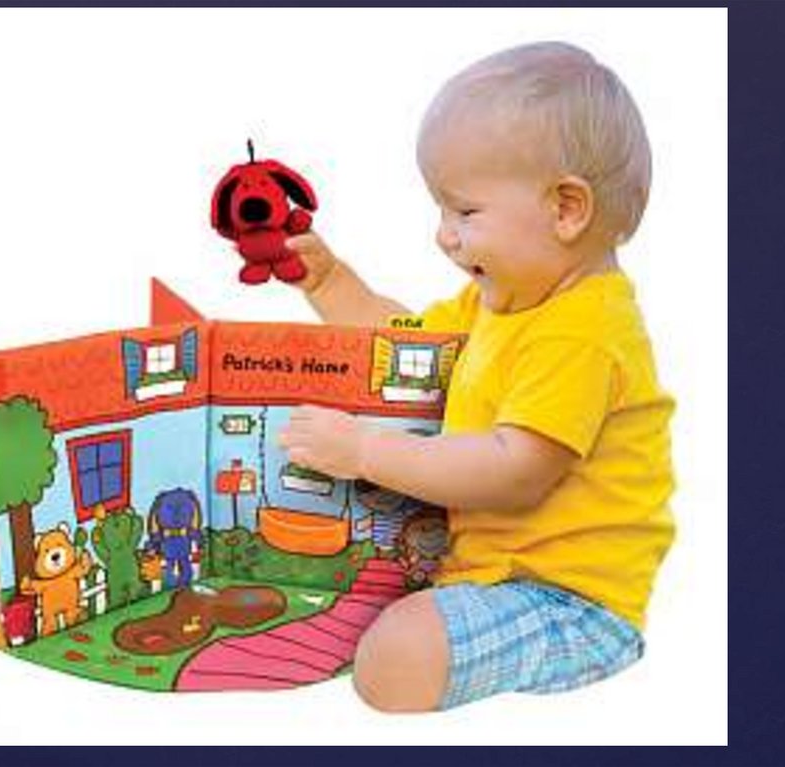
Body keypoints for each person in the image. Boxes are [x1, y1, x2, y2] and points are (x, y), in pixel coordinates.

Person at [277, 41, 676, 712]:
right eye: (442, 211)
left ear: (566, 209)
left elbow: (514, 471)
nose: (444, 235)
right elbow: (404, 347)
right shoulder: (499, 302)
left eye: (464, 212)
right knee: (347, 589)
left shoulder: (584, 331)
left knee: (395, 658)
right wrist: (329, 282)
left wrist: (366, 451)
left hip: (572, 603)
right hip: (487, 574)